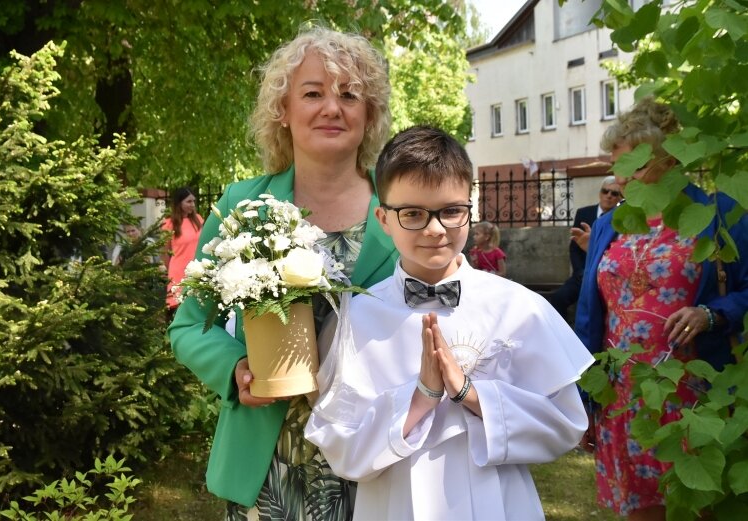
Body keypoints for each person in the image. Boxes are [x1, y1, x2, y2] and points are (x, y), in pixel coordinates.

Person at [304, 126, 594, 520]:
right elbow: (339, 445)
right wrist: (420, 397)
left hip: (498, 503)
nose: (435, 229)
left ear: (470, 209)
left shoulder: (518, 308)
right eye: (413, 214)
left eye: (451, 211)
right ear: (383, 219)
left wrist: (472, 395)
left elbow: (566, 423)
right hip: (394, 505)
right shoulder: (357, 317)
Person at [167, 26, 397, 519]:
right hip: (265, 467)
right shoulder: (242, 207)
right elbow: (188, 326)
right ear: (283, 112)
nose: (332, 108)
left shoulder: (402, 209)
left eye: (350, 95)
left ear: (370, 113)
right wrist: (233, 369)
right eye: (312, 93)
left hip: (378, 462)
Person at [575, 97, 748, 520]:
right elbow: (589, 317)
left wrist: (712, 313)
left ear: (668, 158)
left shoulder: (717, 214)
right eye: (616, 164)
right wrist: (583, 400)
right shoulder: (608, 224)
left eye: (633, 165)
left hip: (692, 395)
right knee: (638, 509)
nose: (620, 176)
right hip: (621, 398)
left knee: (695, 504)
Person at [548, 176, 622, 318]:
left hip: (607, 274)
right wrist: (580, 272)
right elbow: (574, 247)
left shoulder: (620, 217)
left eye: (614, 193)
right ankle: (564, 335)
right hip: (583, 274)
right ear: (600, 192)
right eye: (605, 191)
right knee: (558, 298)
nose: (609, 196)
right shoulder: (584, 213)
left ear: (619, 197)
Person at [161, 187, 203, 312]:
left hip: (197, 271)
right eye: (189, 202)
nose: (193, 205)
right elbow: (165, 252)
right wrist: (170, 272)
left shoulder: (198, 220)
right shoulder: (169, 224)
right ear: (179, 203)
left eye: (193, 201)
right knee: (180, 310)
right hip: (178, 272)